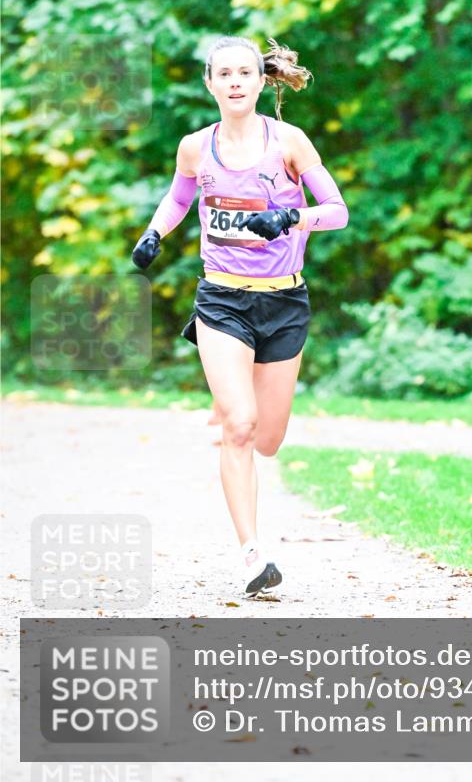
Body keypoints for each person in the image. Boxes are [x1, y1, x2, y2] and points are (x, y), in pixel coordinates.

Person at [131, 35, 349, 597]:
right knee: (240, 426)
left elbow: (338, 212)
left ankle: (238, 401)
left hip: (283, 300)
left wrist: (290, 219)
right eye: (223, 73)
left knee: (269, 439)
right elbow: (179, 200)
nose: (233, 82)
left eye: (243, 73)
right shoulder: (194, 148)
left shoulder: (289, 142)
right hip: (221, 300)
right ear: (209, 84)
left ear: (260, 81)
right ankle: (253, 556)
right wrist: (155, 232)